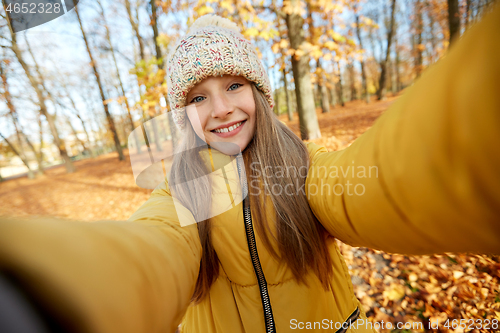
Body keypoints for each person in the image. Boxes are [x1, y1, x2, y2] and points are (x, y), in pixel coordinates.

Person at [1, 6, 499, 333]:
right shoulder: (181, 192)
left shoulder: (305, 165)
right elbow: (151, 247)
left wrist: (477, 143)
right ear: (184, 113)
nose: (220, 109)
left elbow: (380, 182)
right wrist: (44, 291)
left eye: (234, 86)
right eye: (199, 96)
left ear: (259, 91)